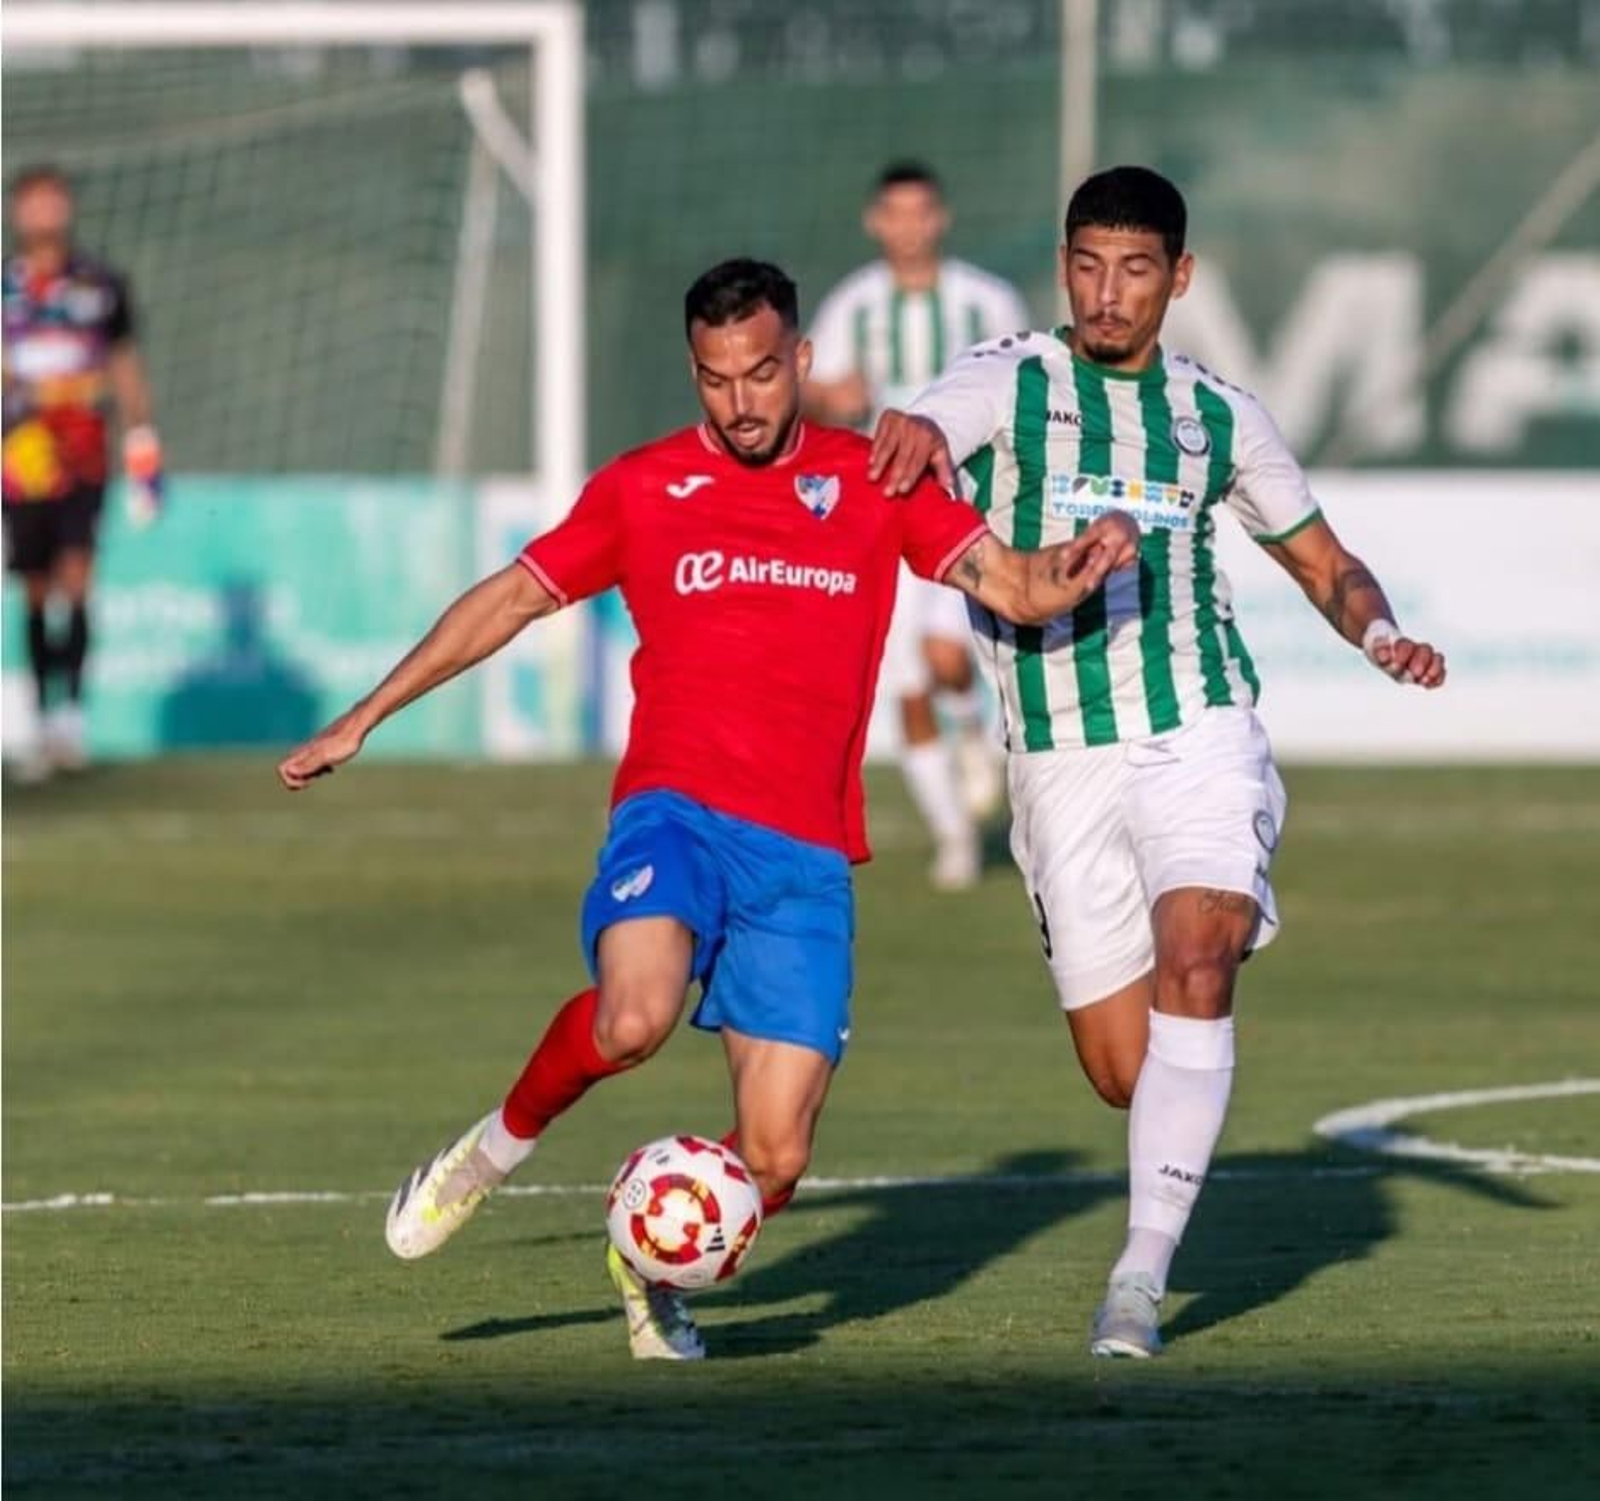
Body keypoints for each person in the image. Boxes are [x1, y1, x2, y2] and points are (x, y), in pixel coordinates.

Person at [277, 258, 1139, 1362]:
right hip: (675, 812)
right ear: (694, 372)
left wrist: (1081, 559)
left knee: (775, 1160)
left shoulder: (875, 477)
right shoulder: (643, 487)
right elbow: (511, 597)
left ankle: (647, 1264)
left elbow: (1013, 585)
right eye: (717, 378)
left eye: (762, 373)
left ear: (802, 360)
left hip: (803, 857)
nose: (741, 402)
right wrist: (365, 715)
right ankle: (489, 1152)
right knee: (632, 1016)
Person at [870, 166, 1446, 1359]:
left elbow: (1324, 562)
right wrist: (916, 433)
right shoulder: (1008, 375)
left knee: (1199, 949)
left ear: (1177, 278)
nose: (1107, 293)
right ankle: (1187, 1086)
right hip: (1057, 755)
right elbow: (930, 429)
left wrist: (1378, 632)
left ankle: (1137, 1278)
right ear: (1063, 267)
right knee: (1124, 1073)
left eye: (1134, 270)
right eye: (1087, 266)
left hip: (1200, 723)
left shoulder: (1219, 414)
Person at [804, 162, 1032, 890]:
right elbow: (810, 394)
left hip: (962, 506)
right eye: (895, 214)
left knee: (944, 654)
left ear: (941, 218)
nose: (909, 228)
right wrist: (828, 397)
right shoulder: (854, 305)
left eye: (921, 212)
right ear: (876, 221)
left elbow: (1028, 385)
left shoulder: (985, 301)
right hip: (877, 518)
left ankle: (971, 734)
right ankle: (955, 836)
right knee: (903, 687)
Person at [3, 163, 163, 780]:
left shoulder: (101, 284)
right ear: (17, 212)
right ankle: (40, 717)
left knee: (78, 578)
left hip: (84, 453)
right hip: (23, 455)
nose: (44, 211)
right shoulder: (7, 285)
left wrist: (143, 441)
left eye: (53, 200)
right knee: (35, 586)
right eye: (33, 201)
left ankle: (71, 717)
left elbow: (124, 364)